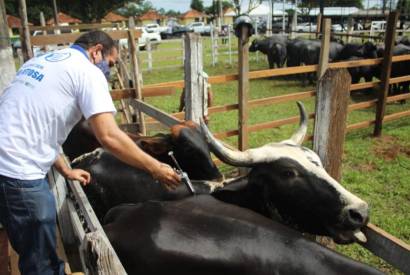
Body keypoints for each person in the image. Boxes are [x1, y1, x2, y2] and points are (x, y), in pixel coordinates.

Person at [0, 30, 181, 275]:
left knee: (31, 246)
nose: (109, 68)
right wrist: (155, 167)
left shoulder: (41, 61)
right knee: (40, 261)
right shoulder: (88, 72)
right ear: (96, 51)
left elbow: (34, 124)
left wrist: (65, 169)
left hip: (7, 166)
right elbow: (109, 136)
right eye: (110, 62)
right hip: (18, 174)